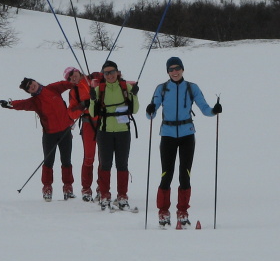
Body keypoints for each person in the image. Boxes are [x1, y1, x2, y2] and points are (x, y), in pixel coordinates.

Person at [145, 56, 221, 228]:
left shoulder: (191, 87)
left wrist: (214, 111)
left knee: (185, 174)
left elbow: (204, 108)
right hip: (167, 135)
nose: (175, 72)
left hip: (187, 134)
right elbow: (151, 112)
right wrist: (150, 110)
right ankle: (163, 211)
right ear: (167, 72)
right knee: (167, 174)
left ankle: (182, 211)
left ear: (182, 69)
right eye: (171, 69)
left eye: (177, 68)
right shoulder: (162, 88)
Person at [0, 77, 75, 202]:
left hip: (65, 132)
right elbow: (22, 104)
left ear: (35, 81)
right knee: (48, 162)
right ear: (29, 91)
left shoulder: (52, 89)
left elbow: (65, 84)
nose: (31, 86)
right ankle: (47, 187)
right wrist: (10, 104)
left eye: (31, 83)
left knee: (66, 160)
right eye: (28, 87)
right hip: (49, 135)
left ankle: (68, 187)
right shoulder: (35, 101)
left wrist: (78, 84)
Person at [89, 60, 139, 210]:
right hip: (104, 132)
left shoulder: (125, 87)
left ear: (117, 72)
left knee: (122, 164)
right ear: (103, 75)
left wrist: (135, 96)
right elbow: (92, 113)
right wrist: (92, 99)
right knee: (105, 164)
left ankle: (122, 196)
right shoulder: (100, 89)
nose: (110, 75)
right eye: (106, 73)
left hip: (123, 131)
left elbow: (135, 109)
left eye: (112, 72)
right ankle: (105, 195)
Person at [64, 66, 101, 202]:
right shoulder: (74, 92)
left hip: (103, 121)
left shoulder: (94, 78)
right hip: (87, 123)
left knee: (104, 157)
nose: (72, 77)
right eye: (69, 78)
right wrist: (82, 105)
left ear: (78, 71)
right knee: (89, 157)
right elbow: (71, 113)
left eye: (72, 73)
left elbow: (113, 77)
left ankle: (101, 188)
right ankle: (86, 189)